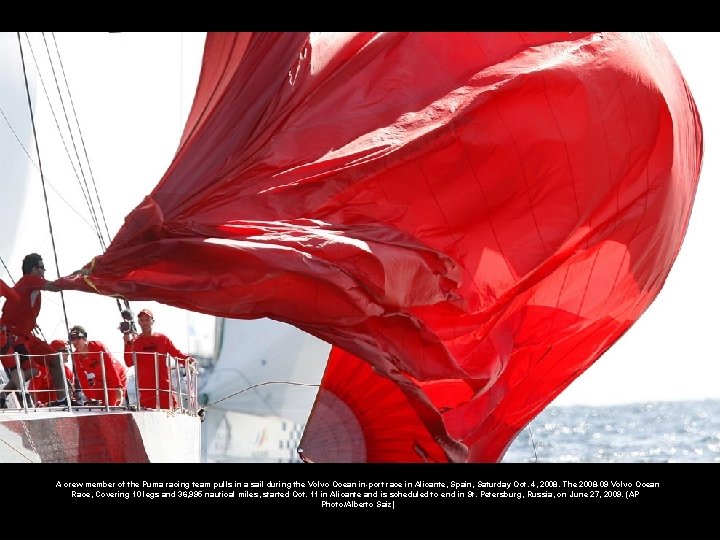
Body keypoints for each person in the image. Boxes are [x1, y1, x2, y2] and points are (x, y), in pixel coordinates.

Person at [0, 253, 64, 408]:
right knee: (29, 371)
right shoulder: (30, 280)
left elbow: (15, 304)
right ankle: (2, 395)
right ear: (34, 269)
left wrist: (27, 322)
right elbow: (54, 287)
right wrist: (77, 280)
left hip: (25, 335)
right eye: (42, 268)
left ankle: (63, 399)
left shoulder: (26, 284)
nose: (44, 271)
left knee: (53, 359)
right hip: (13, 336)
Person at [123, 308, 195, 409]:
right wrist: (127, 344)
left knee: (171, 409)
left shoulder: (162, 339)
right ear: (139, 322)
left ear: (152, 321)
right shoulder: (135, 342)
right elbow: (129, 362)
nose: (144, 323)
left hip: (163, 386)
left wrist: (187, 360)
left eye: (147, 320)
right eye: (142, 320)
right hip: (145, 389)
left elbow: (176, 354)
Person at [68, 325, 127, 406]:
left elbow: (111, 366)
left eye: (78, 337)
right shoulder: (76, 355)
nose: (75, 342)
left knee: (110, 405)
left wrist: (118, 388)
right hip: (98, 381)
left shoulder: (98, 347)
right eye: (72, 339)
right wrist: (90, 398)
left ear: (85, 337)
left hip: (115, 377)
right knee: (97, 406)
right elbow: (82, 378)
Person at [28, 339, 75, 406]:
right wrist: (37, 405)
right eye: (64, 351)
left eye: (68, 351)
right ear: (54, 352)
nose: (68, 353)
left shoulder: (68, 372)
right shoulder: (41, 369)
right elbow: (32, 390)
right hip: (45, 408)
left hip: (62, 406)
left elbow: (71, 391)